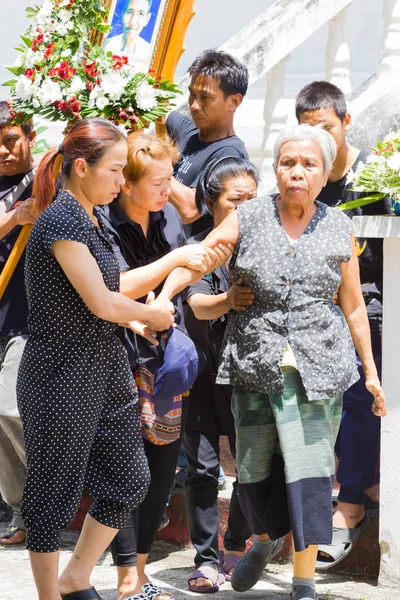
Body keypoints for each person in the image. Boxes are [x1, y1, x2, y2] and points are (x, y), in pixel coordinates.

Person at [157, 124, 387, 600]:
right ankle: (263, 540)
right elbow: (200, 259)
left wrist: (371, 372)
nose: (297, 173)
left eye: (309, 165)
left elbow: (353, 305)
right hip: (254, 361)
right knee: (254, 467)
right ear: (275, 171)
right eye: (287, 163)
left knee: (310, 470)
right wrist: (165, 291)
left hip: (318, 366)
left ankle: (303, 581)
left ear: (325, 175)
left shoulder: (338, 225)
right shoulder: (249, 217)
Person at [16, 118, 179, 600]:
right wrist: (150, 315)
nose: (120, 181)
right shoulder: (60, 219)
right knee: (52, 490)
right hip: (60, 370)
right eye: (114, 170)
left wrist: (149, 295)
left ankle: (75, 578)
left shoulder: (93, 217)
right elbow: (102, 302)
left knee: (129, 477)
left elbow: (111, 290)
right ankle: (50, 595)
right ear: (82, 167)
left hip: (103, 364)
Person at [98, 131, 221, 600]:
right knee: (125, 470)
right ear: (126, 185)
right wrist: (142, 307)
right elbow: (113, 286)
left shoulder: (167, 213)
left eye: (170, 179)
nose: (167, 191)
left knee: (162, 466)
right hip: (115, 360)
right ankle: (127, 579)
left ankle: (141, 573)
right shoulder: (103, 222)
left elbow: (197, 262)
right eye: (157, 182)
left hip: (164, 357)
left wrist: (163, 300)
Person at [295, 81, 390, 569]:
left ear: (346, 123)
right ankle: (363, 484)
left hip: (370, 304)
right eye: (309, 132)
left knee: (357, 388)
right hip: (315, 308)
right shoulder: (302, 175)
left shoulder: (379, 173)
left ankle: (351, 501)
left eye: (327, 129)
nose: (320, 142)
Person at [183, 156, 258, 593]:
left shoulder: (265, 246)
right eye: (235, 201)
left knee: (251, 468)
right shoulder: (197, 250)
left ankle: (236, 544)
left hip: (249, 378)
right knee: (202, 470)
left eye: (252, 200)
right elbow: (197, 304)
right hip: (203, 376)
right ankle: (207, 559)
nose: (244, 209)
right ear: (213, 203)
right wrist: (230, 299)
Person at [0, 100, 37, 546]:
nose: (5, 152)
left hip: (28, 318)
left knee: (10, 406)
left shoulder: (46, 174)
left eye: (11, 140)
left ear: (28, 136)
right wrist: (15, 217)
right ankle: (21, 510)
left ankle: (53, 489)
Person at [166, 49, 249, 235]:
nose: (194, 105)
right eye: (192, 94)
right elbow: (162, 115)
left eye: (206, 98)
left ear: (234, 102)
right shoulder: (188, 131)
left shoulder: (230, 156)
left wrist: (154, 167)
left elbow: (189, 209)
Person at [105, 0, 152, 72]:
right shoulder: (107, 45)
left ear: (147, 19)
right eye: (129, 12)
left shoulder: (149, 53)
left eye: (141, 14)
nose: (132, 22)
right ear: (122, 14)